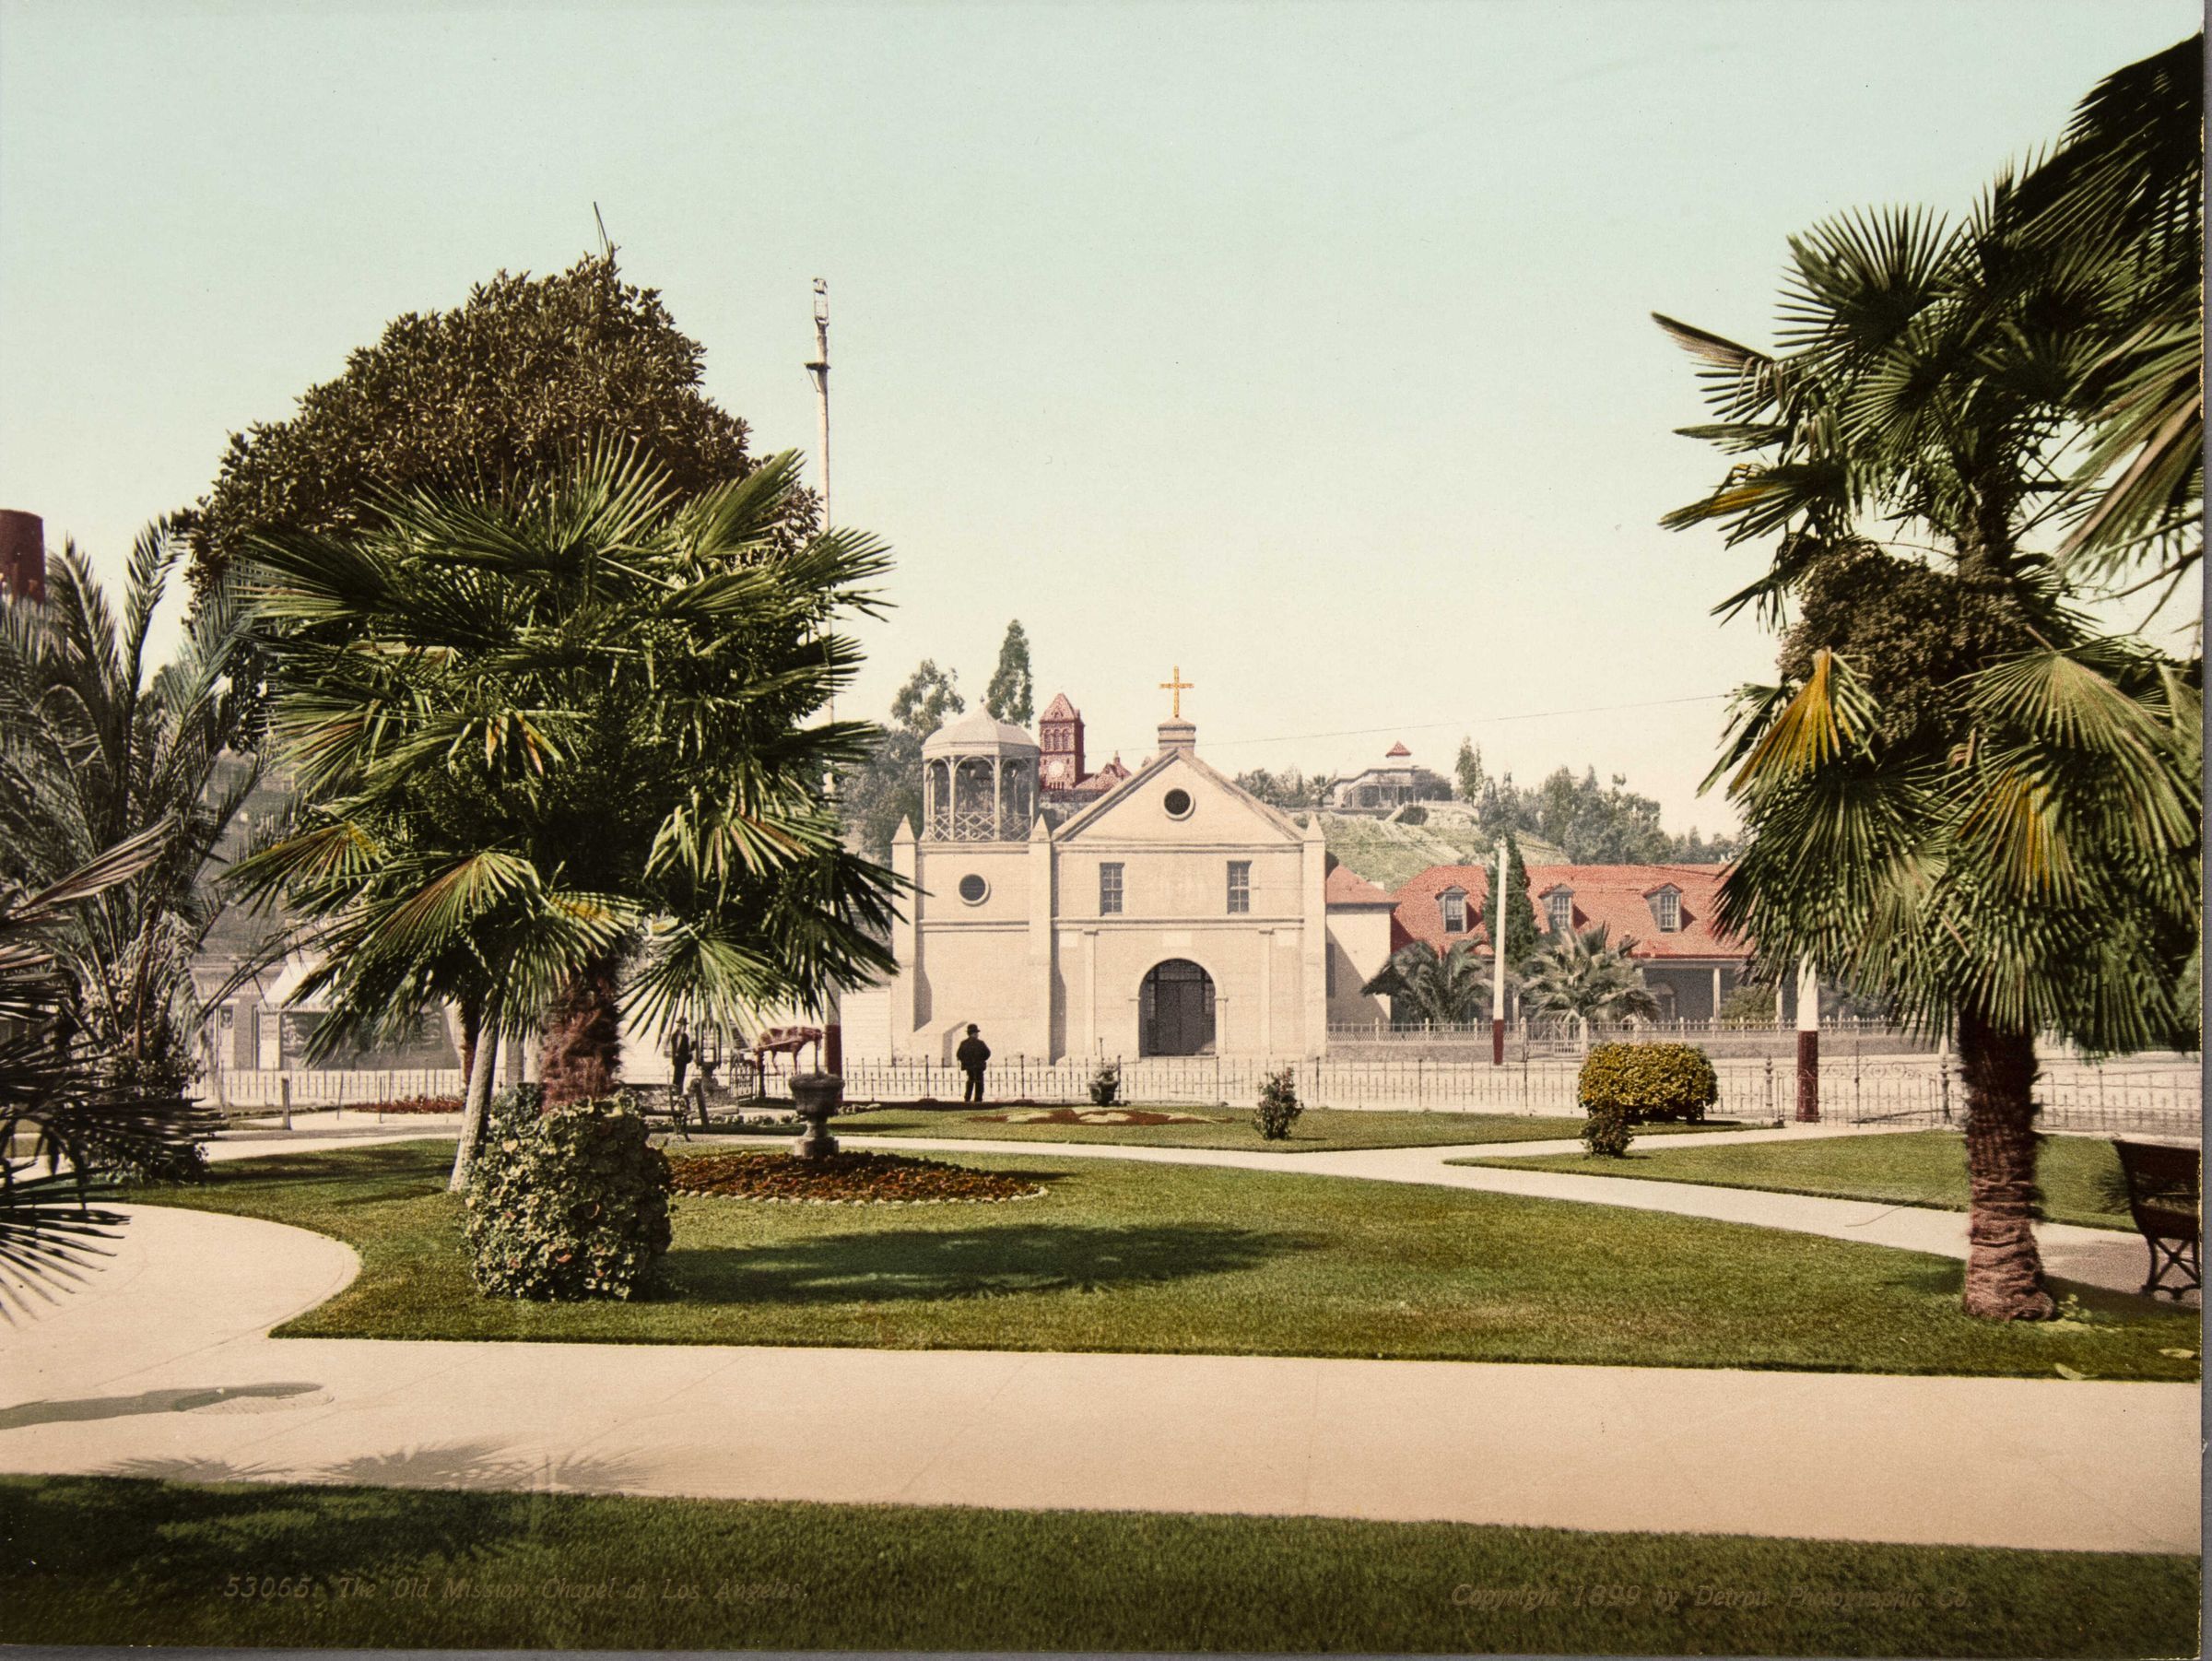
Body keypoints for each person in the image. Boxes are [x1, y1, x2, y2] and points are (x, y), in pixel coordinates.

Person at [956, 1023, 990, 1103]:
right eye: (976, 1033)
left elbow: (959, 1054)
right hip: (979, 1065)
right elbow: (987, 1053)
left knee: (970, 1081)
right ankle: (978, 1099)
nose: (977, 1034)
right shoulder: (980, 1043)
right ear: (974, 1033)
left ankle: (967, 1098)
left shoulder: (964, 1043)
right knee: (979, 1082)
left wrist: (965, 1061)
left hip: (969, 1066)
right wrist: (982, 1059)